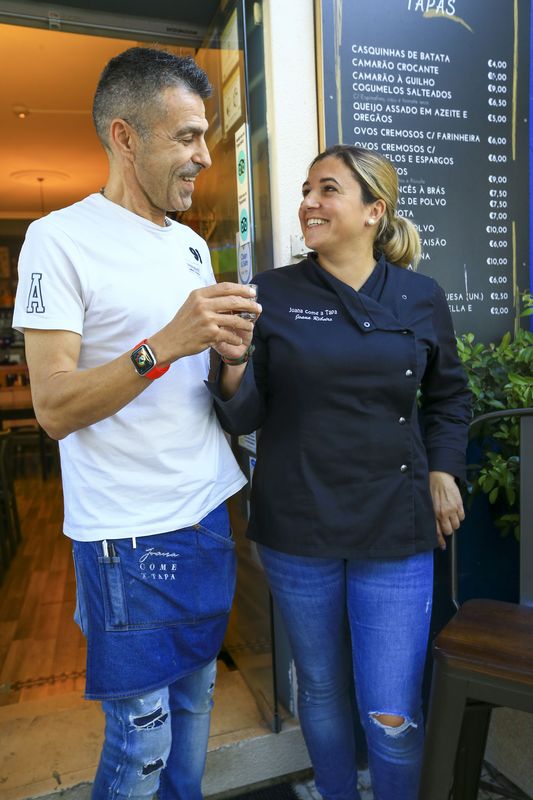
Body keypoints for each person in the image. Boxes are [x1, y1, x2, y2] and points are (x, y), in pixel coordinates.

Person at [13, 47, 261, 800]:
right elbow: (53, 408)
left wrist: (230, 358)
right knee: (142, 740)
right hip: (126, 537)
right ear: (125, 137)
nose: (204, 156)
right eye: (187, 136)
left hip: (205, 514)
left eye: (205, 135)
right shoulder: (57, 239)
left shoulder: (189, 245)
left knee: (195, 711)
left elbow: (196, 384)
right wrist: (166, 343)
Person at [209, 144, 471, 800]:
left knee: (391, 707)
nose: (308, 203)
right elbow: (244, 415)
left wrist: (444, 471)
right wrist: (233, 365)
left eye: (327, 190)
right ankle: (335, 791)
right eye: (307, 190)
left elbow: (448, 398)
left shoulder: (419, 296)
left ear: (373, 212)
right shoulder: (271, 293)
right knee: (322, 688)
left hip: (395, 522)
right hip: (298, 521)